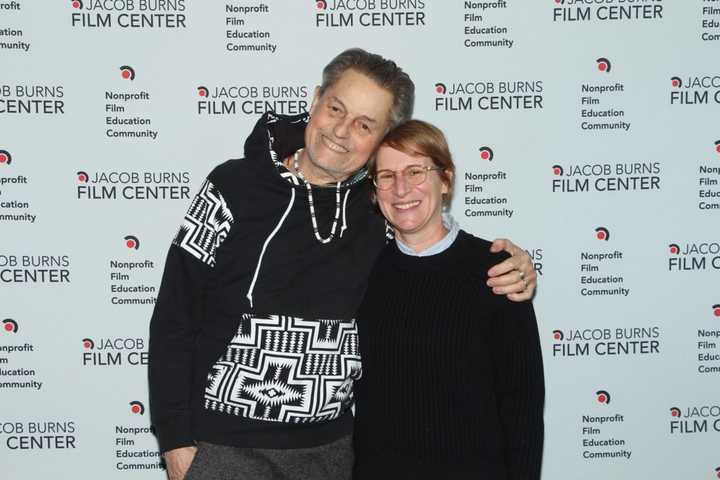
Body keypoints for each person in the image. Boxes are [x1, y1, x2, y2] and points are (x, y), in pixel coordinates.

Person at [149, 48, 537, 480]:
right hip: (223, 447)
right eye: (336, 108)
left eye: (365, 125)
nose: (341, 131)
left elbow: (433, 256)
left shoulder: (382, 206)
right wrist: (174, 438)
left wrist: (513, 264)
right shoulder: (232, 186)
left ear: (382, 140)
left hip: (332, 453)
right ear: (315, 100)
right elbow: (173, 315)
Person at [353, 120, 544, 479]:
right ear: (374, 189)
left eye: (416, 171)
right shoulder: (360, 271)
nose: (401, 188)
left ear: (445, 180)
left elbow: (523, 405)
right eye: (387, 176)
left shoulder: (497, 271)